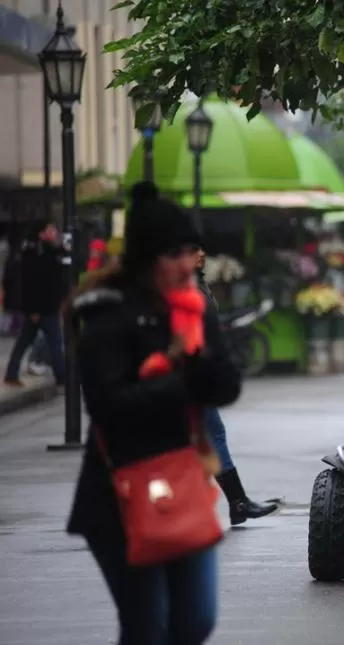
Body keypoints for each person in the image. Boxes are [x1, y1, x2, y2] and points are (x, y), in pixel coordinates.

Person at [65, 182, 242, 644]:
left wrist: (198, 355)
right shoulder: (107, 314)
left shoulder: (193, 307)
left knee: (196, 620)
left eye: (192, 251)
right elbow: (108, 406)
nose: (189, 263)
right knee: (148, 627)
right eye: (174, 254)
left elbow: (226, 385)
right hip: (118, 492)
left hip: (181, 482)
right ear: (146, 259)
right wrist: (178, 377)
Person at [196, 248, 280, 525]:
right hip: (187, 378)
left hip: (197, 376)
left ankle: (237, 503)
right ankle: (234, 503)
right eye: (191, 250)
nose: (200, 254)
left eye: (199, 249)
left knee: (211, 435)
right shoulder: (183, 289)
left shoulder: (197, 284)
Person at [3, 221, 67, 387]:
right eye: (50, 230)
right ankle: (61, 376)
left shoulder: (49, 251)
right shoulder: (37, 254)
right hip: (42, 308)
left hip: (44, 307)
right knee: (53, 341)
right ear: (42, 234)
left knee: (25, 341)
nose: (54, 232)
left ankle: (12, 373)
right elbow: (34, 283)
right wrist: (33, 309)